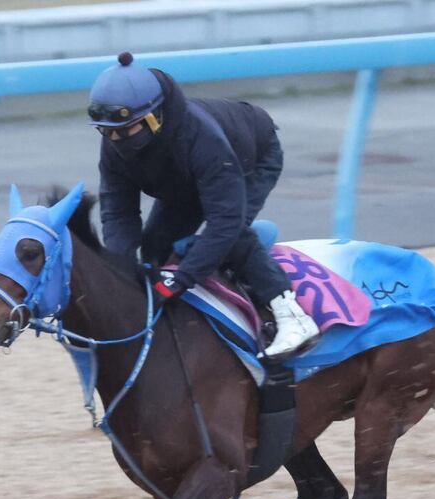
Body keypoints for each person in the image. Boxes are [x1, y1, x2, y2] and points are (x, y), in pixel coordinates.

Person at [88, 52, 319, 359]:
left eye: (125, 129)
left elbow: (224, 223)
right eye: (107, 131)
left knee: (232, 237)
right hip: (185, 181)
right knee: (154, 246)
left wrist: (181, 280)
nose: (116, 139)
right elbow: (118, 213)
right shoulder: (114, 143)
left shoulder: (202, 138)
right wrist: (125, 274)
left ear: (154, 118)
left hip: (250, 159)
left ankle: (289, 312)